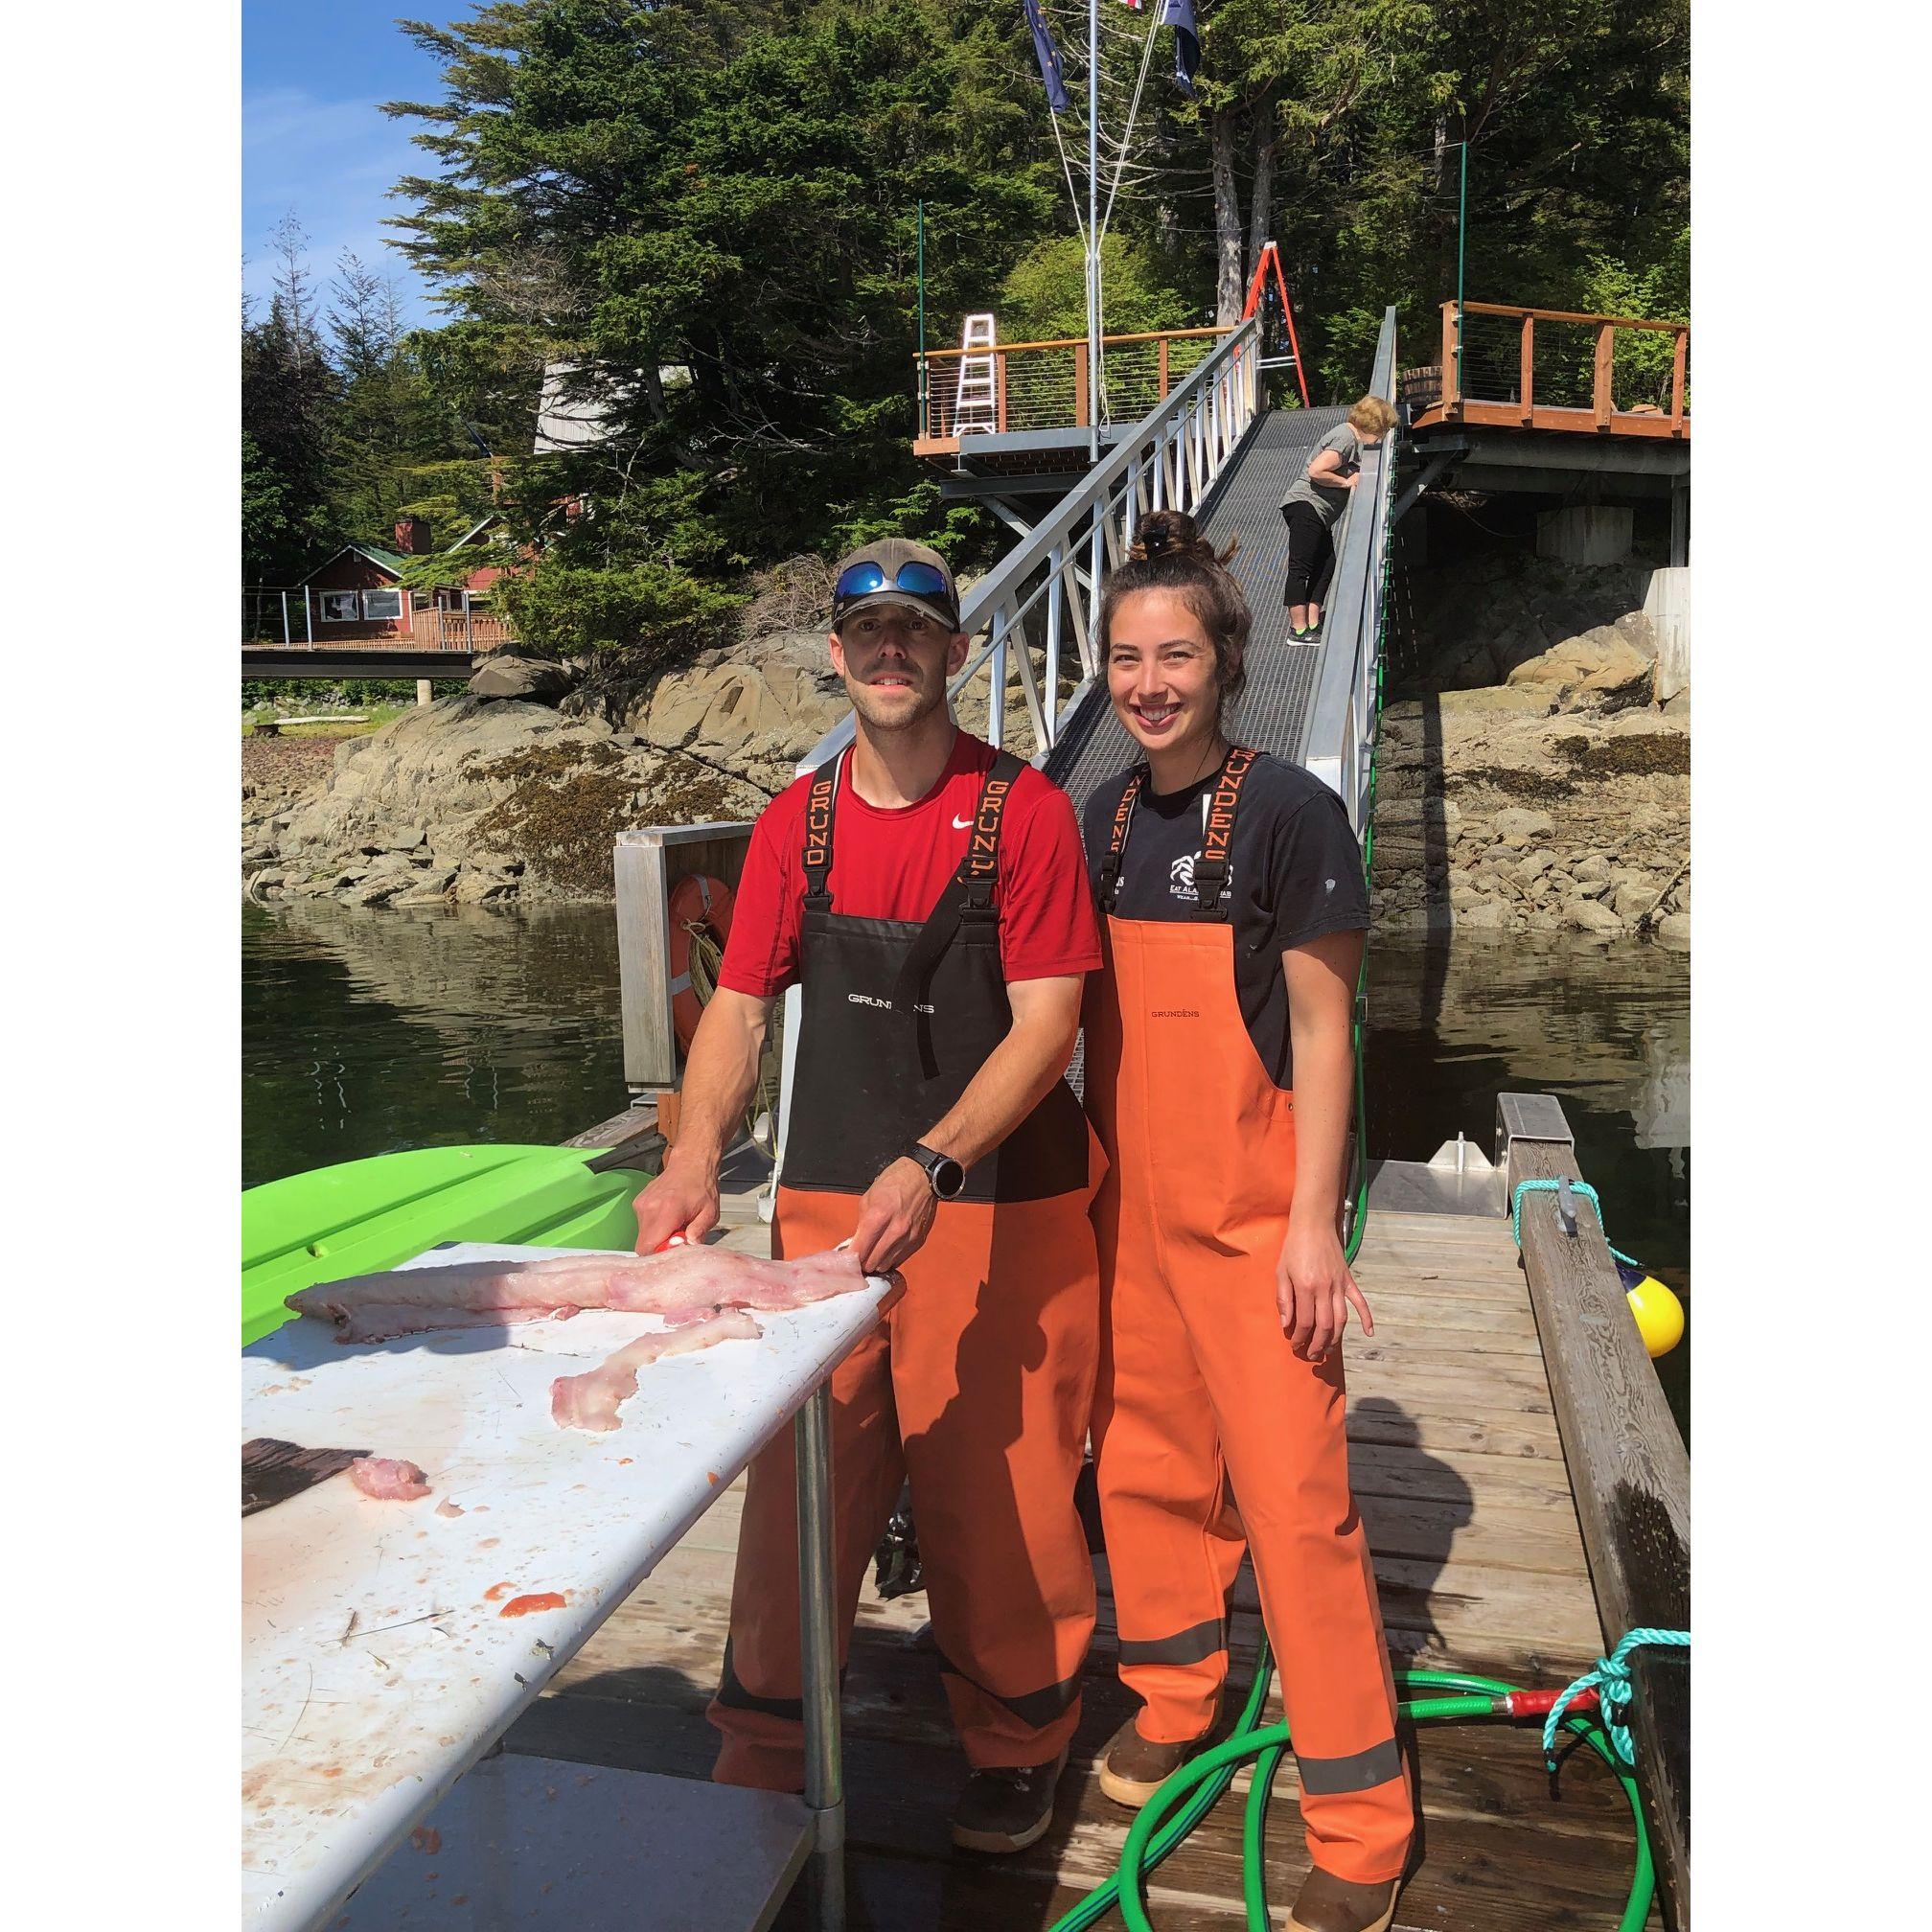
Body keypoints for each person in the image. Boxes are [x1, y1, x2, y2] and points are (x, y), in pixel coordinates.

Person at [632, 537, 1105, 1855]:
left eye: (918, 630)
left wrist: (935, 1158)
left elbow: (1050, 1024)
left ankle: (1018, 1741)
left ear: (958, 654)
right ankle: (768, 1737)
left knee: (993, 1482)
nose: (893, 651)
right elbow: (737, 1004)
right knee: (806, 1478)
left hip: (1001, 1194)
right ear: (837, 658)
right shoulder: (802, 819)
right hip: (826, 1194)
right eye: (869, 633)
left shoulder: (1028, 813)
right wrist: (688, 1154)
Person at [1078, 509, 1414, 1932]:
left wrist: (1314, 1226)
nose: (1151, 682)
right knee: (1146, 1467)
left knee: (1297, 1505)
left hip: (1254, 1214)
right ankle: (1175, 1695)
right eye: (1126, 658)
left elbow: (1328, 1038)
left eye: (1177, 655)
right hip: (1131, 1216)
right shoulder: (1099, 812)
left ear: (1226, 661)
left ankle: (1359, 1821)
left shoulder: (1289, 813)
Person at [1279, 395, 1398, 641]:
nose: (1383, 435)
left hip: (1319, 512)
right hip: (1307, 505)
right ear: (1372, 423)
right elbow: (1316, 470)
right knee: (1301, 567)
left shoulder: (1351, 439)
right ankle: (1297, 629)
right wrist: (1346, 482)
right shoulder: (1345, 437)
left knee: (1326, 565)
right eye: (1383, 429)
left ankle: (1312, 622)